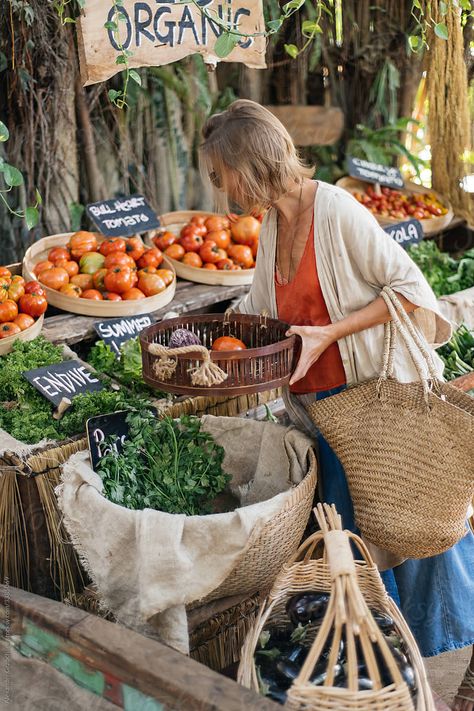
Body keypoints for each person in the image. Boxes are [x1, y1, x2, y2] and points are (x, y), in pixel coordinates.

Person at [200, 99, 474, 710]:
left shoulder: (339, 210)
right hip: (318, 412)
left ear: (255, 164)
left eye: (225, 177)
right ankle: (383, 678)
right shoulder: (272, 221)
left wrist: (332, 331)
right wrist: (216, 337)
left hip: (372, 410)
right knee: (354, 546)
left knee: (407, 530)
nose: (223, 194)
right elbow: (263, 307)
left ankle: (431, 670)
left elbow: (414, 293)